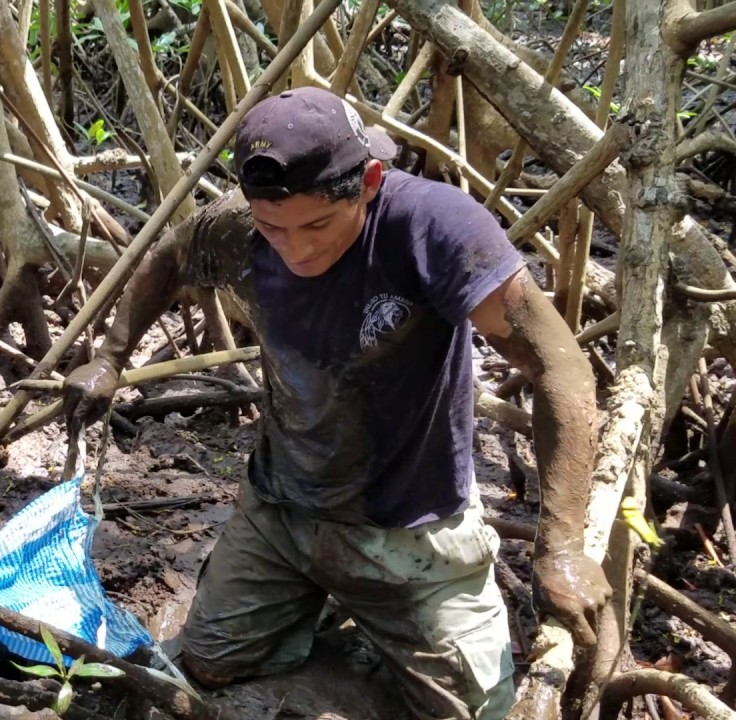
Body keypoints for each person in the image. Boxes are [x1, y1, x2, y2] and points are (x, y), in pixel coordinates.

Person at [62, 86, 612, 720]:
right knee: (209, 664)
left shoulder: (433, 228)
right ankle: (336, 654)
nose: (297, 249)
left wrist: (563, 548)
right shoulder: (241, 228)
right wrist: (110, 356)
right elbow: (172, 254)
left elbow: (560, 368)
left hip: (413, 529)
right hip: (283, 511)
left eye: (318, 224)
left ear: (369, 183)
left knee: (476, 713)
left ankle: (373, 654)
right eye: (275, 228)